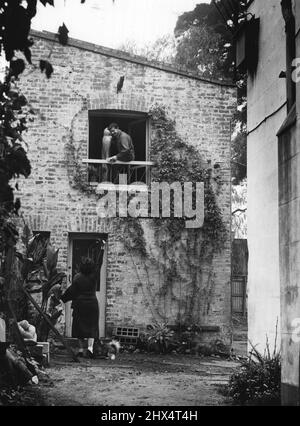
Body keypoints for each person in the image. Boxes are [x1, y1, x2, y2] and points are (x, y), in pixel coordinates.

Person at [61, 258, 99, 358]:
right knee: (92, 327)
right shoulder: (94, 276)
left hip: (80, 303)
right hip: (92, 304)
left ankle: (81, 349)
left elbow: (72, 290)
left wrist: (63, 298)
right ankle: (90, 349)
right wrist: (102, 250)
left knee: (79, 327)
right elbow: (99, 262)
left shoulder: (77, 277)